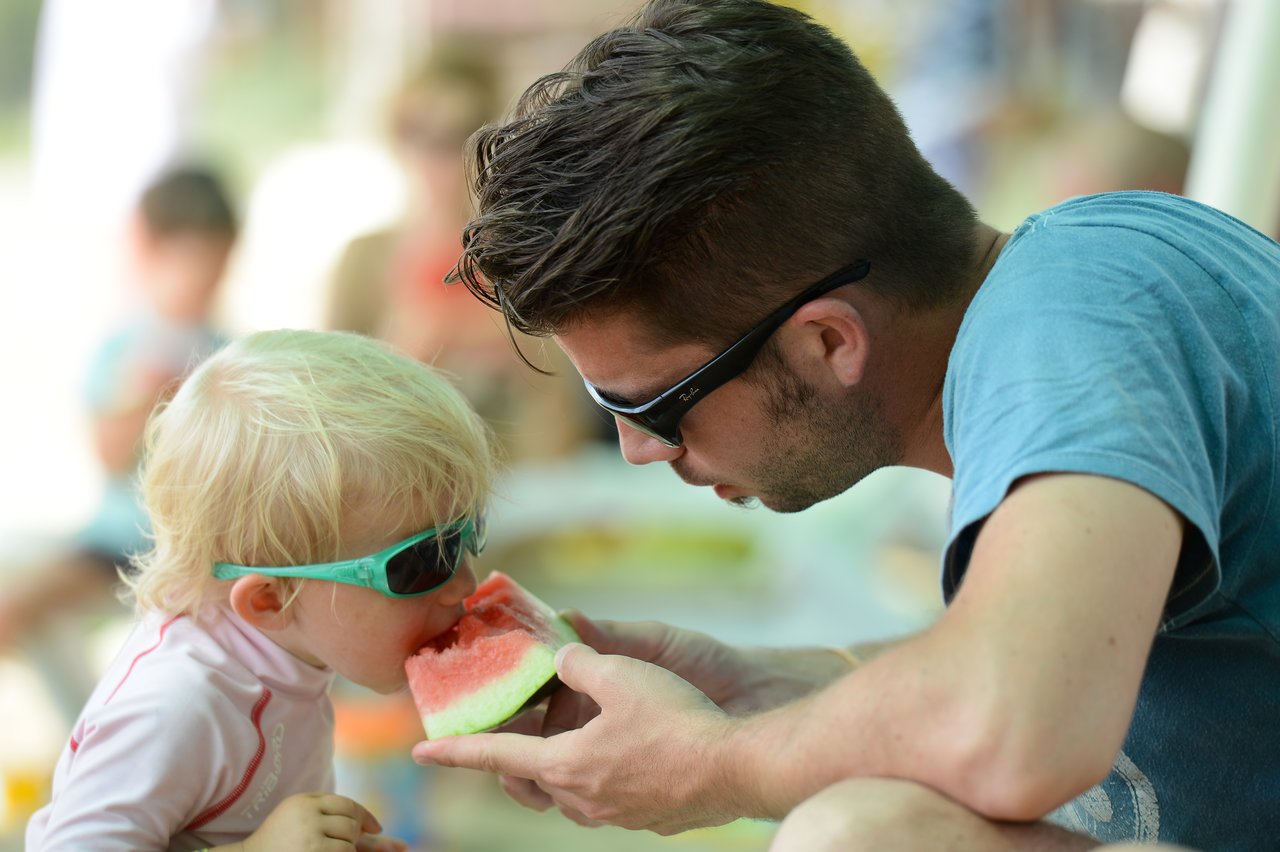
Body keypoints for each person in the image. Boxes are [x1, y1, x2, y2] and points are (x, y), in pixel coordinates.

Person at [408, 1, 1280, 850]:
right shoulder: (1074, 281)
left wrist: (711, 764)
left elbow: (1013, 728)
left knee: (855, 836)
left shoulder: (1073, 325)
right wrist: (767, 688)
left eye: (655, 406)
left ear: (828, 340)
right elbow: (1032, 662)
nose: (640, 451)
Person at [26, 328, 497, 851]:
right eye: (420, 561)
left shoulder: (292, 649)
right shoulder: (176, 703)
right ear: (270, 601)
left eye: (465, 533)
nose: (465, 584)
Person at [326, 42, 603, 461]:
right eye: (419, 131)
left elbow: (570, 415)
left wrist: (517, 345)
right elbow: (328, 410)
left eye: (461, 134)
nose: (440, 155)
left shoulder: (530, 255)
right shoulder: (363, 261)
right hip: (408, 481)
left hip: (520, 479)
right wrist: (400, 356)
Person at [0, 165, 236, 656]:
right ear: (149, 252)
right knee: (16, 603)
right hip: (113, 543)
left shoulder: (232, 355)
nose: (200, 283)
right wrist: (153, 390)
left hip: (203, 552)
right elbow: (108, 453)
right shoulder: (124, 349)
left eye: (213, 268)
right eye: (188, 263)